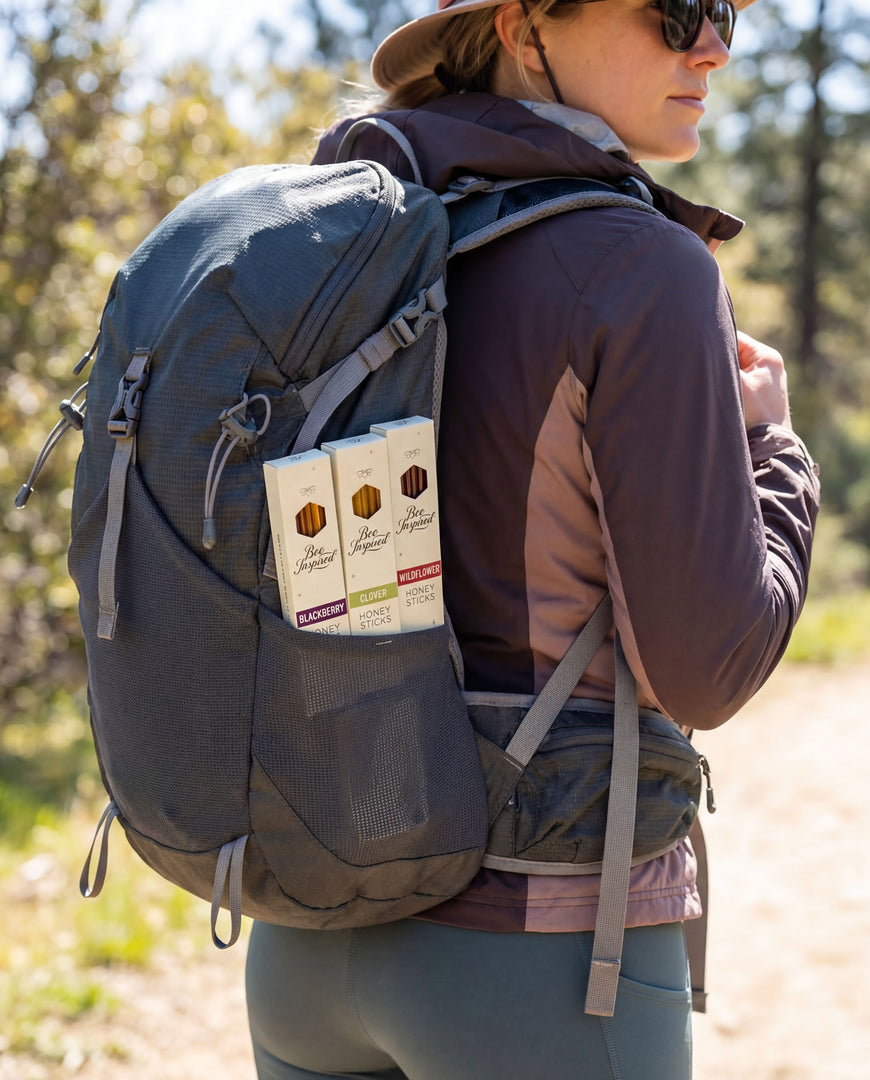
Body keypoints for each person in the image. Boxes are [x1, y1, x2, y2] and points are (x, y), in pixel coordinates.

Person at [245, 1, 820, 1077]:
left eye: (728, 11)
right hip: (538, 957)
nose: (713, 47)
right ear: (522, 24)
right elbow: (708, 666)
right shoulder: (639, 268)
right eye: (674, 10)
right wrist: (776, 455)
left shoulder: (331, 247)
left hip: (306, 926)